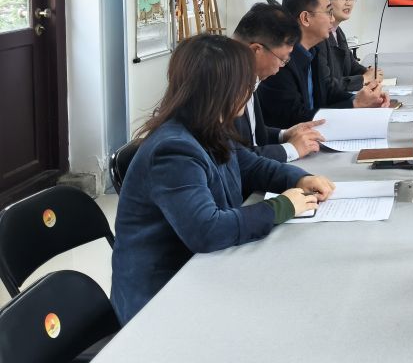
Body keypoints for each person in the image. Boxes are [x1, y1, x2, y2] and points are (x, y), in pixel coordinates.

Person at [111, 35, 335, 324]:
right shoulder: (173, 150)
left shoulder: (208, 126)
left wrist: (301, 178)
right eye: (246, 82)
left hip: (203, 270)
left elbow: (251, 166)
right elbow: (207, 230)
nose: (250, 90)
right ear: (221, 88)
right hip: (161, 297)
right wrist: (282, 206)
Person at [258, 0, 386, 129]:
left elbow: (328, 93)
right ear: (305, 18)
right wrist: (355, 104)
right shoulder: (281, 60)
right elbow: (293, 119)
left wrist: (363, 98)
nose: (332, 19)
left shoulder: (313, 51)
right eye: (328, 12)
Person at [233, 3, 325, 161]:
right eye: (282, 59)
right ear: (256, 50)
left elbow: (253, 135)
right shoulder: (222, 84)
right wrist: (291, 149)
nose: (282, 66)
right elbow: (237, 157)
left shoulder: (247, 74)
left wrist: (285, 134)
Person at [319, 0, 380, 100]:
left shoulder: (338, 31)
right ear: (326, 0)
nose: (348, 3)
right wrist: (364, 78)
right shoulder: (319, 36)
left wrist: (369, 72)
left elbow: (351, 65)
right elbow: (327, 84)